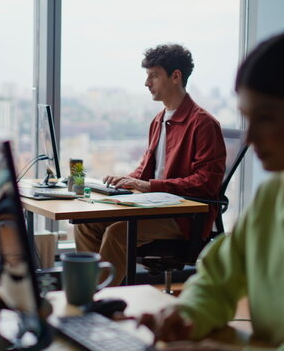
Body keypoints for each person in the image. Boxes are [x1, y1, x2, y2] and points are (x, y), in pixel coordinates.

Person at [139, 31, 284, 350]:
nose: (251, 138)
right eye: (248, 118)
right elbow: (217, 281)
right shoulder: (271, 198)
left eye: (266, 118)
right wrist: (186, 313)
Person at [74, 44, 226, 285]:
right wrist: (124, 182)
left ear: (176, 76)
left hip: (184, 216)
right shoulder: (159, 120)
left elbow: (206, 183)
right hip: (155, 206)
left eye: (154, 75)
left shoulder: (203, 124)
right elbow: (145, 170)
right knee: (86, 224)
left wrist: (150, 186)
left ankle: (100, 303)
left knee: (119, 232)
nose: (147, 83)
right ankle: (88, 290)